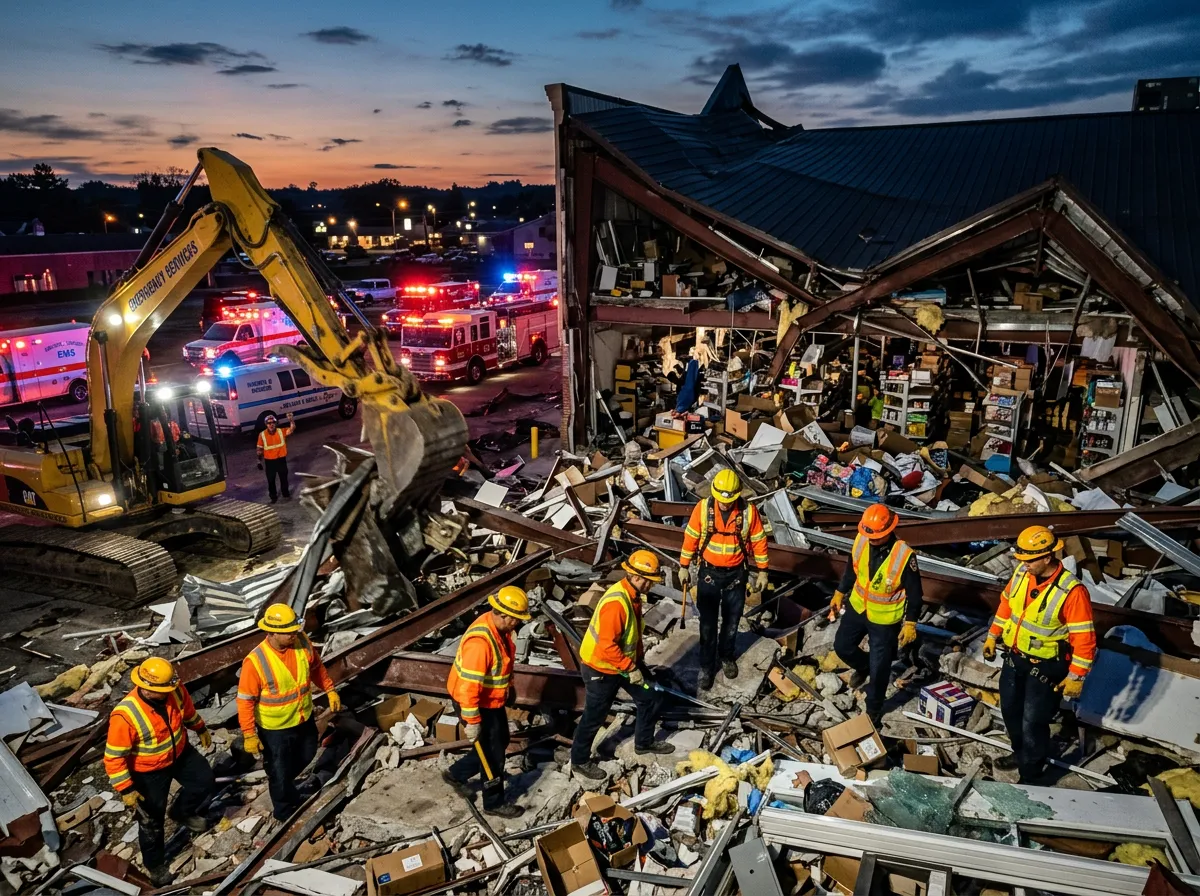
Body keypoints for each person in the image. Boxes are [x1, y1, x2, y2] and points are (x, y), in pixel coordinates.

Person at [983, 525, 1096, 784]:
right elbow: (1006, 605)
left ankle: (1031, 774)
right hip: (1015, 658)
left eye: (1030, 559)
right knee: (1010, 711)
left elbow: (1085, 639)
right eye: (1021, 559)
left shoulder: (1072, 591)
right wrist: (992, 635)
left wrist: (1076, 676)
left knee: (1033, 722)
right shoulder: (1022, 575)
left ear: (1048, 556)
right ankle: (1020, 754)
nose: (1024, 565)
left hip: (1045, 667)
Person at [104, 658, 214, 886]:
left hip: (180, 754)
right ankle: (155, 866)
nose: (167, 692)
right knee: (151, 821)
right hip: (148, 771)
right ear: (145, 686)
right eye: (161, 690)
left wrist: (199, 727)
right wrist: (126, 788)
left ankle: (182, 812)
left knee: (204, 780)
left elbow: (188, 712)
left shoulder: (174, 689)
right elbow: (114, 757)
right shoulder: (125, 715)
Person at [572, 550, 674, 780]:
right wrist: (631, 669)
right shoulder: (617, 603)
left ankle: (644, 743)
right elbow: (607, 646)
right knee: (594, 716)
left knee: (650, 697)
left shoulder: (633, 596)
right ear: (636, 577)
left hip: (623, 664)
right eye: (649, 581)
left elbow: (631, 635)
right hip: (601, 669)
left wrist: (638, 664)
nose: (652, 586)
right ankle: (579, 761)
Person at [237, 603, 342, 821]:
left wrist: (330, 690)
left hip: (302, 718)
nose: (293, 635)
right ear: (271, 632)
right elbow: (245, 701)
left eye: (294, 630)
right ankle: (283, 811)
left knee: (307, 753)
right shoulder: (256, 662)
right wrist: (249, 734)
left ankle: (285, 785)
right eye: (287, 633)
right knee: (279, 770)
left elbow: (317, 669)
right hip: (275, 729)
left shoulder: (301, 641)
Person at [829, 503, 923, 726]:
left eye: (877, 537)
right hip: (858, 607)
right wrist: (839, 592)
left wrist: (910, 623)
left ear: (888, 531)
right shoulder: (862, 539)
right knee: (842, 646)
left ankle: (874, 710)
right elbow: (852, 569)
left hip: (884, 618)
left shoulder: (904, 555)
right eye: (869, 536)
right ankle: (863, 667)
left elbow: (916, 593)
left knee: (880, 666)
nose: (872, 540)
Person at [678, 469, 769, 690]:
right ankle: (707, 666)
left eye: (730, 500)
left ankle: (727, 656)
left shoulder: (748, 512)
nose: (725, 505)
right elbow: (690, 537)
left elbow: (758, 540)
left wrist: (764, 570)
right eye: (721, 500)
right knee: (707, 624)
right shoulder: (703, 509)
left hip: (736, 574)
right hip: (708, 573)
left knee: (732, 621)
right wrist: (683, 566)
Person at [444, 586, 530, 819]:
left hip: (490, 701)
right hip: (474, 703)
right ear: (503, 614)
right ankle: (493, 802)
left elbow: (502, 663)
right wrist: (472, 721)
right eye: (516, 619)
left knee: (498, 741)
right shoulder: (480, 644)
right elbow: (468, 688)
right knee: (492, 755)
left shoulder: (498, 629)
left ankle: (456, 773)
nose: (517, 623)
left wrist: (508, 687)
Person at [257, 412, 295, 503]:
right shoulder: (262, 435)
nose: (271, 425)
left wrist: (291, 420)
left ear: (276, 423)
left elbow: (292, 429)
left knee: (284, 478)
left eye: (273, 423)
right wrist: (258, 461)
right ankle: (273, 497)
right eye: (269, 423)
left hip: (281, 460)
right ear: (266, 424)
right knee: (271, 480)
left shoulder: (281, 431)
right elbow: (259, 448)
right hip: (269, 462)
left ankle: (285, 494)